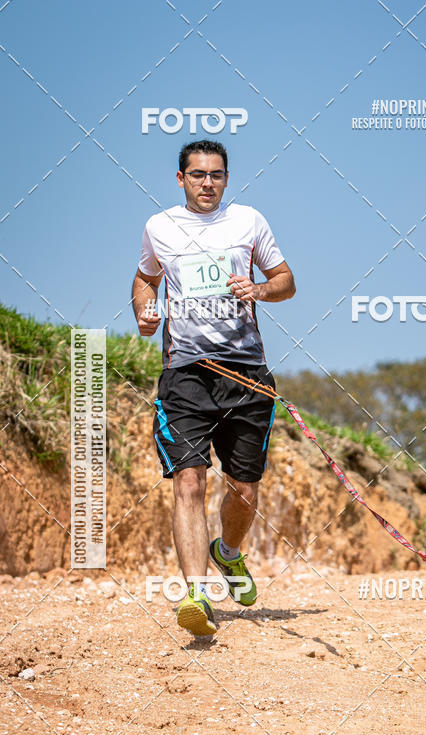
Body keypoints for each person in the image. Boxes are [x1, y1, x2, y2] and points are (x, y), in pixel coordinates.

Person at [131, 140, 295, 637]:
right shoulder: (159, 227)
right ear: (180, 178)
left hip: (246, 376)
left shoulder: (248, 221)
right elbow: (144, 279)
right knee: (189, 481)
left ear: (226, 179)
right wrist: (143, 310)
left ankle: (227, 553)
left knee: (244, 490)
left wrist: (260, 289)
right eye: (198, 174)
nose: (208, 183)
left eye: (217, 175)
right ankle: (197, 598)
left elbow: (286, 280)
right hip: (185, 374)